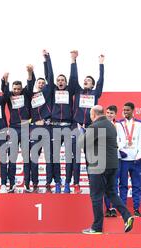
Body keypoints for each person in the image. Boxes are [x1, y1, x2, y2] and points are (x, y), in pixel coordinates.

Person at [80, 105, 134, 234]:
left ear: (93, 114)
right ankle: (127, 216)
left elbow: (82, 144)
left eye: (91, 115)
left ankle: (97, 227)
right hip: (113, 165)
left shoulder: (94, 126)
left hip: (98, 166)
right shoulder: (111, 125)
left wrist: (82, 133)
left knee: (96, 196)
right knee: (111, 193)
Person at [71, 53, 105, 194]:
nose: (85, 81)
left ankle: (92, 184)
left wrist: (101, 64)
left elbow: (101, 81)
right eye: (84, 80)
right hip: (77, 127)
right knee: (76, 157)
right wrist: (74, 61)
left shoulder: (95, 93)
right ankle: (76, 184)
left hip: (91, 129)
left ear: (92, 84)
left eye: (88, 80)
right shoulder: (78, 92)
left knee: (90, 158)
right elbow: (73, 78)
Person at [48, 50, 78, 193]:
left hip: (68, 127)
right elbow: (50, 75)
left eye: (62, 80)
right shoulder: (52, 90)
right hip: (54, 127)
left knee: (69, 157)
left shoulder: (70, 90)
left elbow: (73, 78)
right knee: (54, 157)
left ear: (66, 83)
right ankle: (58, 182)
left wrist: (73, 61)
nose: (60, 82)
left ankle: (67, 183)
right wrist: (47, 58)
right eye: (58, 80)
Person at [1, 65, 35, 193]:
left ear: (22, 89)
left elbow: (30, 85)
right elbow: (4, 91)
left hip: (26, 127)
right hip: (14, 128)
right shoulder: (9, 96)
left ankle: (27, 184)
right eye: (14, 89)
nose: (16, 91)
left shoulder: (26, 94)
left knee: (27, 157)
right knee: (12, 157)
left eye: (18, 89)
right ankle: (12, 184)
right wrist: (5, 80)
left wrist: (30, 73)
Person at [29, 50, 55, 193]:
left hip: (47, 128)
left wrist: (47, 59)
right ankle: (35, 184)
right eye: (38, 82)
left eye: (42, 82)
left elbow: (50, 75)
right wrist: (33, 123)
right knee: (34, 158)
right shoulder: (30, 95)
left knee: (49, 158)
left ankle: (48, 184)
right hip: (34, 129)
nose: (40, 83)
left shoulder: (47, 92)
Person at [116, 102, 141, 216]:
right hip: (123, 160)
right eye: (124, 110)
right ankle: (123, 211)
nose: (125, 112)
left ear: (133, 111)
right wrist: (120, 149)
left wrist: (138, 156)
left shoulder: (138, 124)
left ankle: (136, 209)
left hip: (135, 160)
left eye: (128, 110)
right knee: (123, 186)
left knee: (136, 186)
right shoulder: (119, 124)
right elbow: (116, 139)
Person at [103, 105, 121, 217]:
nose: (109, 115)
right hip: (104, 158)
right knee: (105, 185)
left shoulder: (118, 125)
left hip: (115, 158)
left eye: (112, 113)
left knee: (114, 184)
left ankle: (114, 208)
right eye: (108, 112)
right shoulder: (102, 125)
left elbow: (121, 140)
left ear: (115, 115)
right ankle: (107, 208)